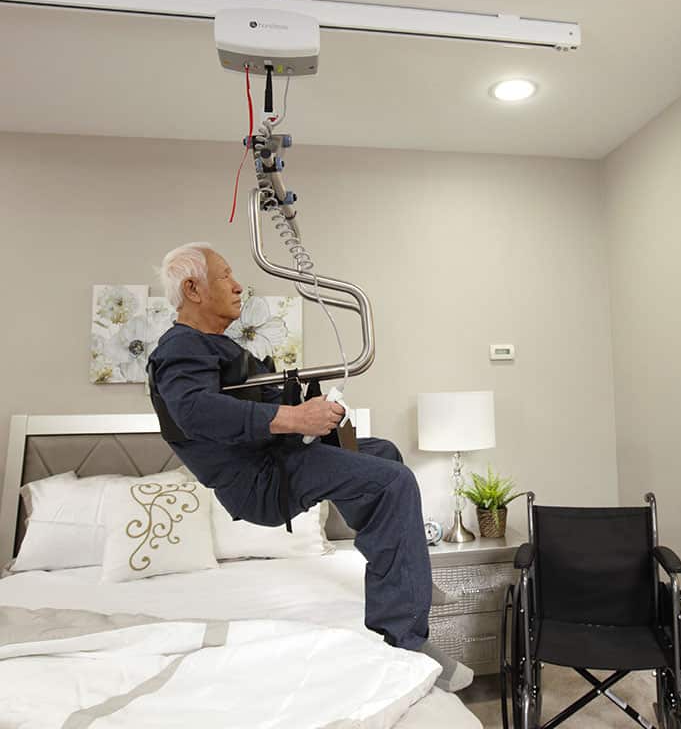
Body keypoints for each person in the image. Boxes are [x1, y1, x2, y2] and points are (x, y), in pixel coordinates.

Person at [148, 241, 473, 692]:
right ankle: (405, 641)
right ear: (193, 289)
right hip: (258, 482)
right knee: (392, 482)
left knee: (382, 455)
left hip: (276, 459)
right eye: (225, 276)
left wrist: (312, 410)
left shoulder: (214, 347)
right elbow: (196, 412)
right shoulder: (180, 348)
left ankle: (405, 577)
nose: (238, 285)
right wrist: (296, 418)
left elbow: (248, 403)